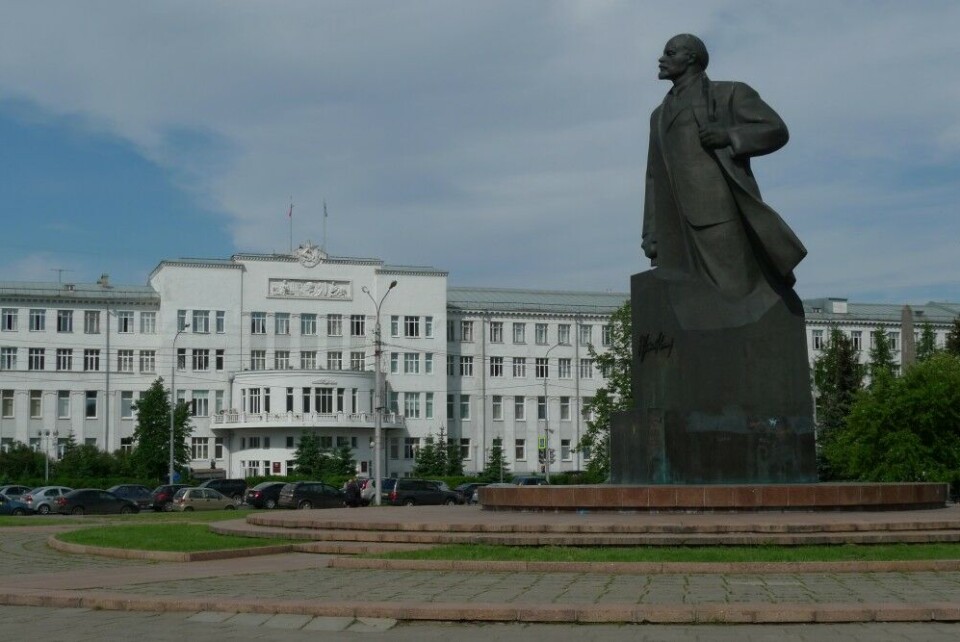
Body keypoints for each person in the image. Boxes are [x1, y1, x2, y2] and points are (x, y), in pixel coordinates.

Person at [642, 34, 806, 305]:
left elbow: (776, 130)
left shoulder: (729, 93)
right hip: (673, 224)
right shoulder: (658, 116)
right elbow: (652, 176)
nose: (662, 59)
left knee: (738, 296)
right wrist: (651, 229)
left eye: (670, 53)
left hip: (719, 214)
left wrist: (730, 136)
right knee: (687, 306)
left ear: (691, 57)